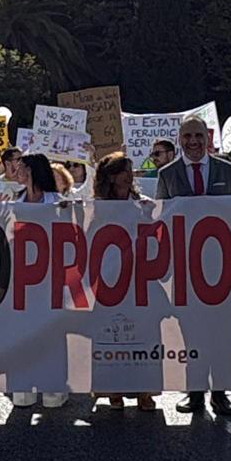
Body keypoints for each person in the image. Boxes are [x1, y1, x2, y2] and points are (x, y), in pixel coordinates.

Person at [154, 113, 231, 419]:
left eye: (198, 136)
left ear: (209, 139)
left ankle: (220, 393)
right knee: (191, 333)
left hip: (222, 269)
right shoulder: (167, 175)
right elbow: (161, 221)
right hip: (185, 271)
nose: (193, 142)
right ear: (180, 139)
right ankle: (194, 393)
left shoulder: (227, 172)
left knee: (222, 331)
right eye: (187, 136)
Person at [92, 153, 156, 412]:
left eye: (130, 171)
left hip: (138, 278)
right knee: (110, 336)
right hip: (108, 280)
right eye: (123, 171)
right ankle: (112, 391)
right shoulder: (96, 206)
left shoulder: (142, 203)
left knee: (142, 334)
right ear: (110, 177)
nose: (130, 176)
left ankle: (144, 392)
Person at [7, 155, 70, 410]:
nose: (16, 170)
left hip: (52, 277)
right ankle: (23, 387)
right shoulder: (13, 201)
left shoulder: (58, 203)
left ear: (32, 170)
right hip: (22, 277)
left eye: (20, 167)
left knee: (51, 331)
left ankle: (54, 388)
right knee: (21, 332)